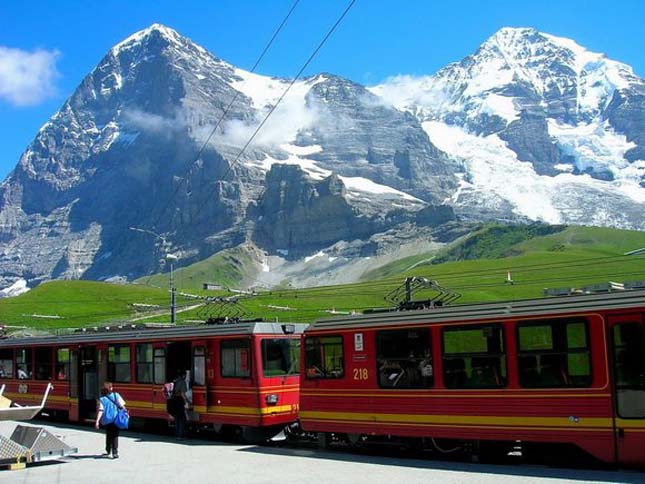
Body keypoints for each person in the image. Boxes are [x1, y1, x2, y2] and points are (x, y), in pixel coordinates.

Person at [95, 381, 126, 459]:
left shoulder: (102, 399)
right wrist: (126, 414)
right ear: (110, 388)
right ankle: (115, 452)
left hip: (107, 420)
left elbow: (101, 410)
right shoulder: (116, 395)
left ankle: (108, 450)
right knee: (115, 435)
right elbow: (122, 406)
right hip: (116, 419)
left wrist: (97, 421)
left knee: (109, 435)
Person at [170, 370, 188, 439]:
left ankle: (177, 434)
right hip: (180, 401)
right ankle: (180, 436)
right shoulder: (182, 382)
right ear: (183, 375)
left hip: (174, 401)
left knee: (177, 419)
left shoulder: (175, 381)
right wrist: (186, 401)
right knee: (182, 419)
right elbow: (182, 394)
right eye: (185, 375)